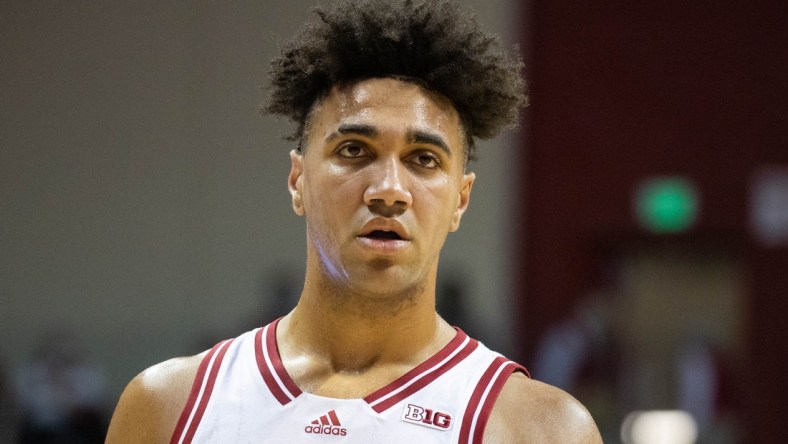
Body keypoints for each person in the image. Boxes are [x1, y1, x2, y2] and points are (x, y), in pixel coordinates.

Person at [106, 0, 602, 442]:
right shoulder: (167, 408)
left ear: (461, 199)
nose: (388, 189)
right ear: (297, 179)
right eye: (354, 150)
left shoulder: (541, 429)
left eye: (424, 159)